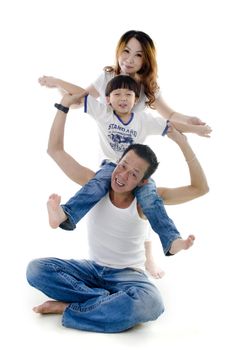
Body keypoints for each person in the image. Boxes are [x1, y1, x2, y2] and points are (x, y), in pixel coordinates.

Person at [26, 96, 209, 333]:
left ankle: (70, 307)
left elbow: (200, 189)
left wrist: (183, 143)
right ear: (116, 162)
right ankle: (101, 300)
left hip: (128, 277)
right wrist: (62, 108)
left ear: (143, 181)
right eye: (123, 165)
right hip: (91, 270)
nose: (123, 176)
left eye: (134, 174)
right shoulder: (96, 184)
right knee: (36, 270)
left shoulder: (146, 200)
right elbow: (55, 150)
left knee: (152, 304)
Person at [51, 76, 206, 266]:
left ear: (136, 99)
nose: (123, 98)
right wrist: (57, 83)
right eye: (117, 94)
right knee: (98, 184)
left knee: (150, 198)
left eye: (128, 94)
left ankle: (171, 239)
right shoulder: (103, 112)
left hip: (137, 170)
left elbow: (171, 126)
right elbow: (80, 93)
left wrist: (193, 130)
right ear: (107, 99)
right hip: (110, 165)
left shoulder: (143, 120)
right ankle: (67, 214)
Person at [38, 30, 212, 136]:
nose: (129, 60)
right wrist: (58, 86)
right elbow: (79, 100)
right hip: (108, 149)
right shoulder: (108, 76)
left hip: (134, 149)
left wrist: (190, 120)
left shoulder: (148, 86)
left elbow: (170, 115)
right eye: (126, 51)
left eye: (138, 55)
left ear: (146, 60)